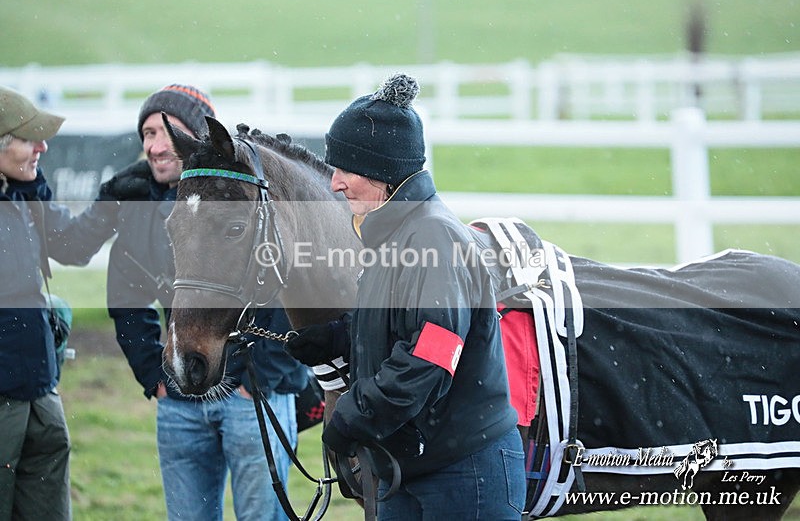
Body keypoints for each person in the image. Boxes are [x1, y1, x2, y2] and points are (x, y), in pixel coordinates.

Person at [286, 74, 526, 519]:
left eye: (345, 168)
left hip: (463, 472)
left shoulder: (433, 236)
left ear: (383, 172)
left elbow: (433, 352)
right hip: (412, 464)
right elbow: (401, 322)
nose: (334, 183)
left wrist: (354, 415)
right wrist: (339, 337)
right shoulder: (393, 233)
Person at [106, 84, 309, 520]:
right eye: (146, 134)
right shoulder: (143, 204)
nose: (156, 146)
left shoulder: (249, 197)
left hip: (252, 396)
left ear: (198, 141)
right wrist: (153, 372)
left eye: (168, 133)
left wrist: (261, 376)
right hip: (179, 397)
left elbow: (287, 281)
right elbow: (126, 297)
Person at [0, 85, 141, 519]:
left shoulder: (25, 192)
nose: (44, 147)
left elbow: (74, 244)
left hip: (40, 387)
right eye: (31, 138)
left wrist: (116, 194)